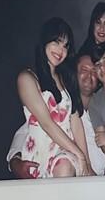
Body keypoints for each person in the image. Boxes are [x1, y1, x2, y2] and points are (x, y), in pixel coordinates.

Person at [10, 52, 105, 177]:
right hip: (69, 177)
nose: (90, 75)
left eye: (94, 72)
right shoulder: (61, 110)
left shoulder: (103, 108)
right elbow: (27, 130)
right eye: (84, 70)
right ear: (74, 74)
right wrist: (15, 161)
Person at [9, 17, 89, 179]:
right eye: (56, 42)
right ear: (44, 41)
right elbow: (46, 123)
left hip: (64, 152)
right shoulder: (27, 78)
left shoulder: (66, 79)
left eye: (66, 46)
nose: (61, 50)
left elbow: (75, 122)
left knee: (64, 167)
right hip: (39, 153)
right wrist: (79, 154)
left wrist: (86, 162)